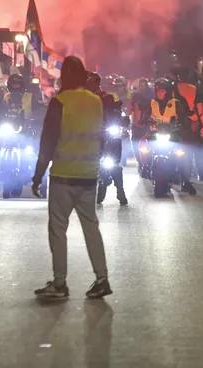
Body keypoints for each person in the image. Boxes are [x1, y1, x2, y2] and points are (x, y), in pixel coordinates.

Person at [31, 57, 111, 301]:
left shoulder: (60, 101)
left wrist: (38, 175)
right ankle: (102, 279)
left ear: (64, 75)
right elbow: (102, 135)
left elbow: (48, 140)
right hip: (89, 175)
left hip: (63, 175)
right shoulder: (96, 101)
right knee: (91, 228)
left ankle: (60, 283)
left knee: (58, 230)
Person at [86, 72, 127, 205]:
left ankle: (120, 189)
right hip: (90, 135)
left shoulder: (107, 97)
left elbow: (116, 113)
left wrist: (121, 121)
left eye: (91, 83)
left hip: (107, 134)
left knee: (114, 163)